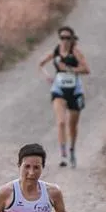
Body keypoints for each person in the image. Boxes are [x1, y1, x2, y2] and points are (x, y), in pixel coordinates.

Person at [38, 25, 91, 168]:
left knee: (72, 125)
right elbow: (40, 64)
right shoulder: (56, 51)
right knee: (61, 122)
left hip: (74, 91)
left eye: (67, 38)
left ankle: (72, 149)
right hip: (59, 90)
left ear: (72, 39)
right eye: (62, 37)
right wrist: (48, 77)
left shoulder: (76, 53)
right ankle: (63, 155)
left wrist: (68, 69)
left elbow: (86, 69)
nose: (65, 41)